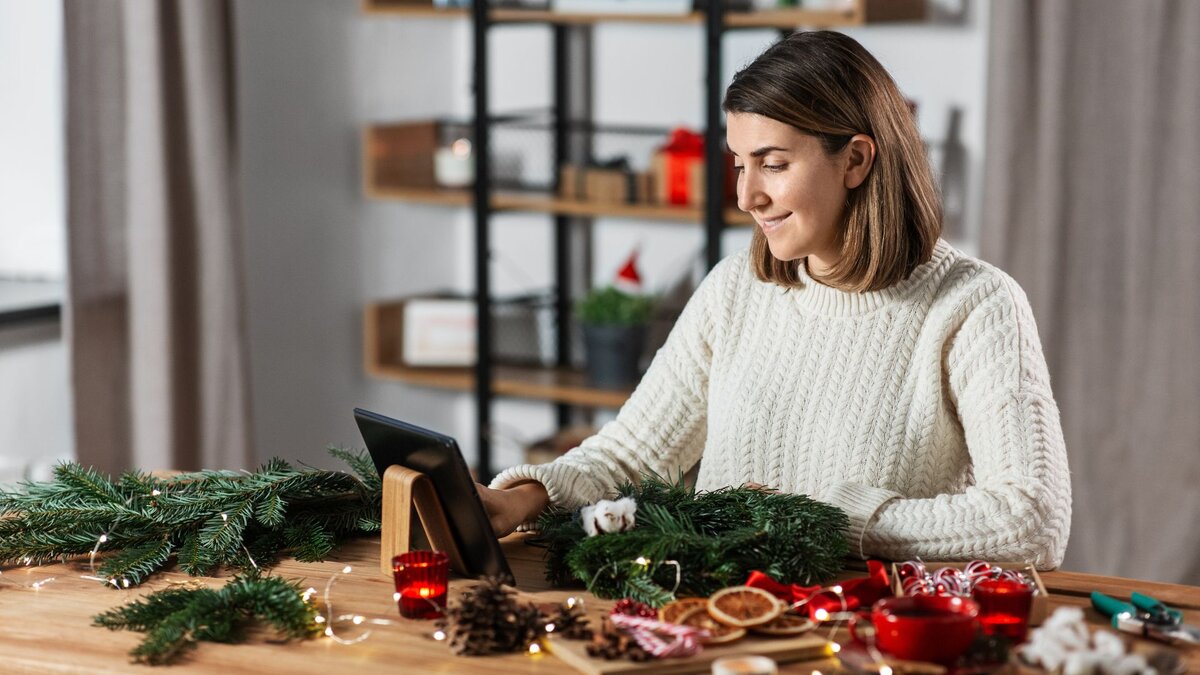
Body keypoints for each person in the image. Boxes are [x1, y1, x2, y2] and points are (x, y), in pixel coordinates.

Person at [477, 30, 1071, 569]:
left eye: (775, 164)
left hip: (859, 641)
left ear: (857, 160)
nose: (748, 196)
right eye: (740, 165)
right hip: (717, 626)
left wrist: (828, 521)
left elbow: (1032, 520)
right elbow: (632, 455)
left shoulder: (976, 304)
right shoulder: (736, 289)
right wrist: (520, 499)